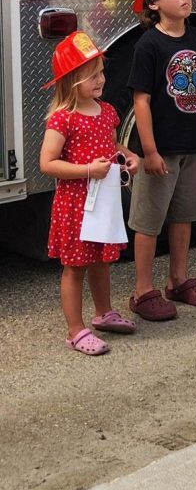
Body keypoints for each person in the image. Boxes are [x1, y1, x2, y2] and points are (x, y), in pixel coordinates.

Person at [127, 0, 196, 321]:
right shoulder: (148, 45)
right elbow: (141, 101)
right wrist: (149, 151)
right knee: (149, 221)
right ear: (154, 2)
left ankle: (178, 281)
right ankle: (142, 291)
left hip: (192, 148)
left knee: (183, 216)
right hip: (162, 152)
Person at [40, 31, 139, 355]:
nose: (101, 79)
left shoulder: (107, 111)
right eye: (92, 75)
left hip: (103, 203)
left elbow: (112, 146)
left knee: (101, 261)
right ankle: (75, 330)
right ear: (71, 81)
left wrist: (126, 154)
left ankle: (104, 312)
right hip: (75, 206)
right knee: (75, 266)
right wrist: (86, 171)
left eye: (101, 72)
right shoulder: (62, 119)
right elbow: (47, 163)